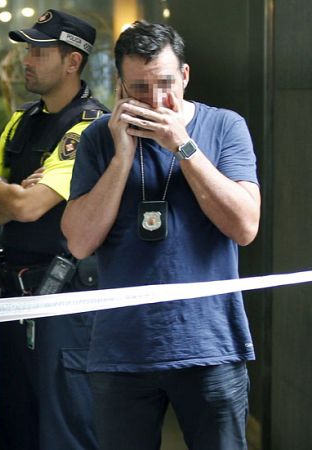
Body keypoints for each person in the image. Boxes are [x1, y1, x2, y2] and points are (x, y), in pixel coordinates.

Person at [62, 21, 260, 449]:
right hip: (122, 350)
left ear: (185, 76)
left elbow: (245, 227)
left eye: (166, 84)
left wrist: (183, 147)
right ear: (119, 85)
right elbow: (79, 242)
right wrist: (122, 157)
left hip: (210, 345)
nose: (155, 100)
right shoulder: (98, 138)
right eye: (139, 88)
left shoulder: (225, 127)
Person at [0, 10, 108, 450]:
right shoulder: (20, 122)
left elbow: (28, 208)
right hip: (12, 296)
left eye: (41, 52)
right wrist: (2, 190)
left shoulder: (88, 127)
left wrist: (2, 192)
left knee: (65, 430)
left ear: (72, 62)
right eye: (29, 49)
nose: (28, 59)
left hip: (62, 299)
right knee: (16, 426)